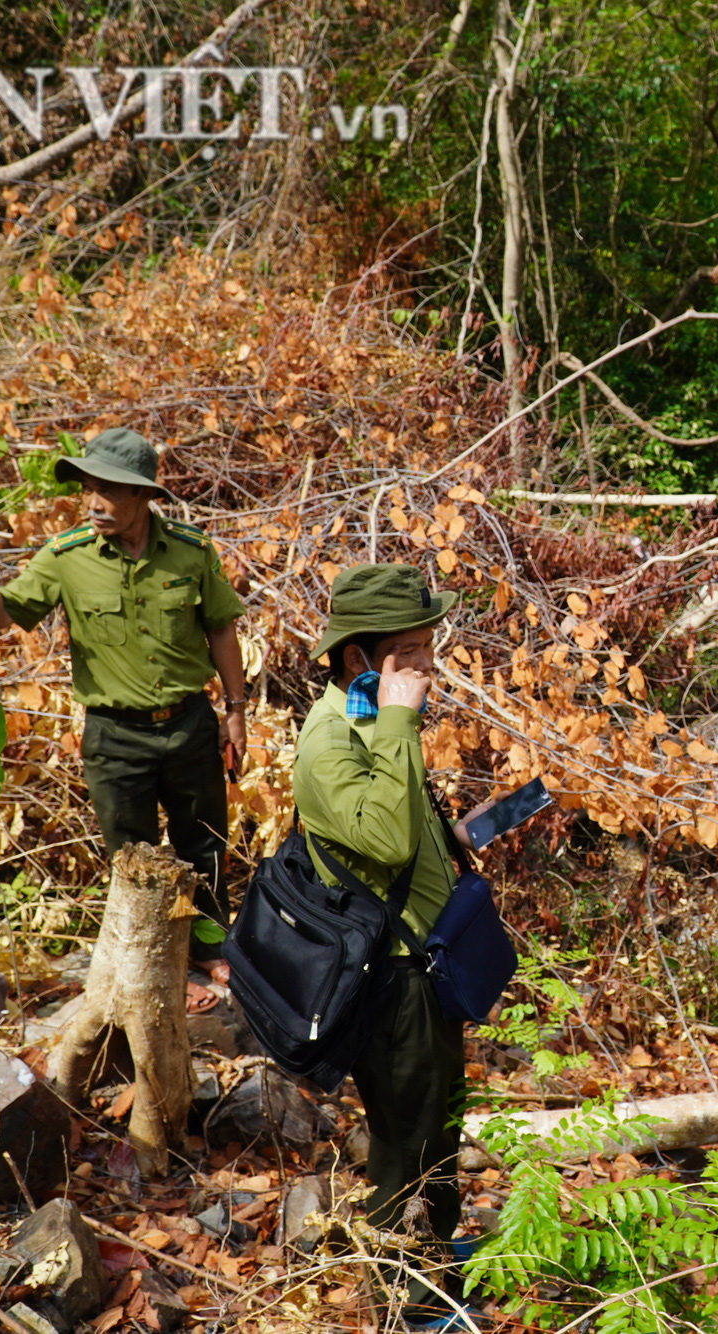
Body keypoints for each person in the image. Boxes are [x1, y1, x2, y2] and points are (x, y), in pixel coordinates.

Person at [0, 428, 248, 940]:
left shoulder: (191, 552)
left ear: (143, 494)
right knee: (132, 864)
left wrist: (235, 711)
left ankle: (206, 953)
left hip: (189, 727)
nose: (95, 503)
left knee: (202, 848)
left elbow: (221, 627)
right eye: (88, 489)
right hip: (115, 739)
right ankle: (150, 963)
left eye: (110, 490)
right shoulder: (66, 556)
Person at [291, 562, 473, 1329]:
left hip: (426, 961)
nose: (429, 668)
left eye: (430, 648)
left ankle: (432, 1251)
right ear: (360, 658)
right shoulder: (332, 739)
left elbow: (403, 830)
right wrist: (400, 718)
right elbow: (387, 841)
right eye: (412, 653)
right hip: (390, 981)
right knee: (406, 1136)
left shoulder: (374, 719)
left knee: (439, 1118)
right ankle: (408, 1294)